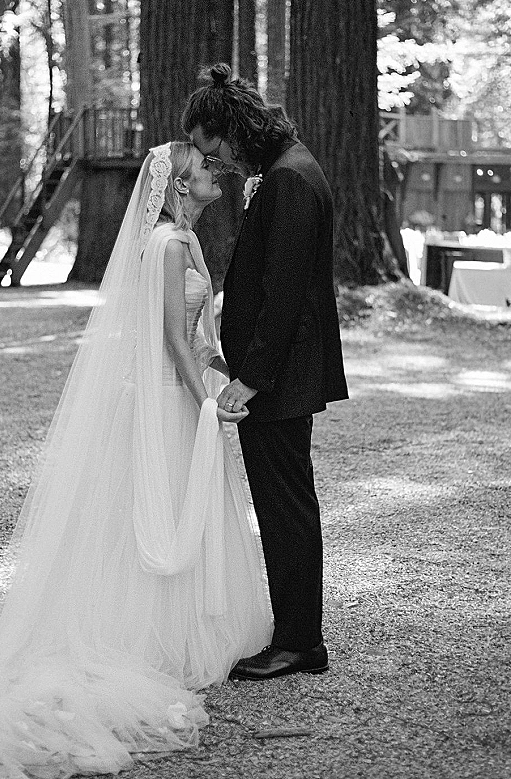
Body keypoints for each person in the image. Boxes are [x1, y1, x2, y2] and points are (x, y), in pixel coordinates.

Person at [0, 142, 272, 779]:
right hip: (169, 399)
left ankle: (185, 628)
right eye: (202, 166)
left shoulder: (188, 240)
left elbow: (201, 337)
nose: (214, 171)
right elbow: (172, 339)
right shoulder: (168, 246)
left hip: (190, 388)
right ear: (178, 186)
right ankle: (150, 638)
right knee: (158, 512)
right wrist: (207, 406)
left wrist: (229, 372)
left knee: (180, 510)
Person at [183, 63, 349, 681]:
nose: (216, 162)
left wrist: (250, 378)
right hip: (274, 376)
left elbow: (284, 293)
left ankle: (301, 642)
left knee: (285, 506)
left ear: (231, 129)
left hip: (278, 381)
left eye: (214, 148)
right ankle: (295, 632)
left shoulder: (289, 180)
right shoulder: (281, 170)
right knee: (282, 501)